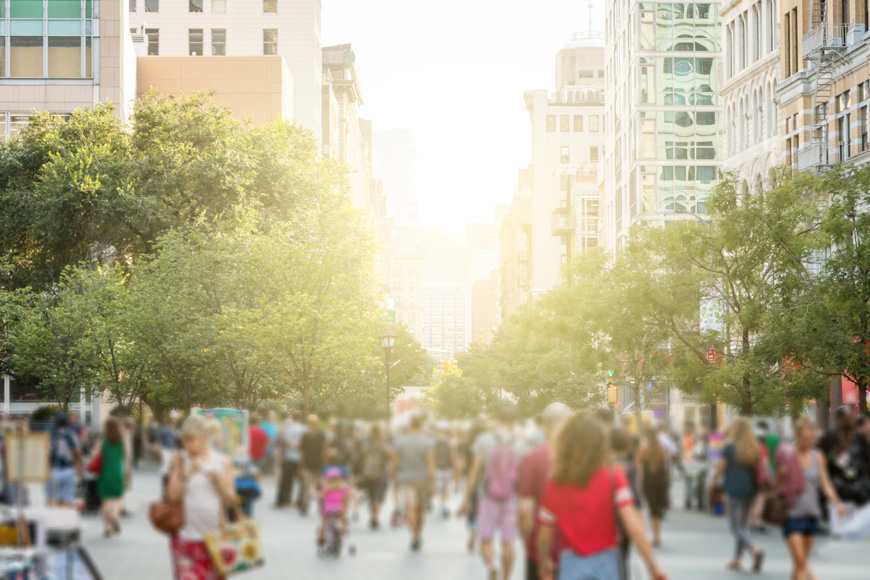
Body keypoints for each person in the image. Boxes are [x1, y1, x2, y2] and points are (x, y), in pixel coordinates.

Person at [536, 411, 666, 580]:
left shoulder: (555, 483)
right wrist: (653, 567)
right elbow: (632, 524)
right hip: (606, 560)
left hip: (571, 561)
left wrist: (544, 562)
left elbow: (545, 533)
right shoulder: (613, 476)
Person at [167, 415, 236, 580]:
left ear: (204, 438)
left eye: (191, 439)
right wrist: (189, 471)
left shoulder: (221, 462)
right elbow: (172, 496)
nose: (186, 444)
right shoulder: (180, 460)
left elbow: (230, 501)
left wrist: (218, 482)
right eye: (184, 439)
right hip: (186, 540)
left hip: (216, 540)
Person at [461, 406, 525, 580]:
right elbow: (522, 476)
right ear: (514, 421)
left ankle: (492, 565)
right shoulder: (520, 444)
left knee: (486, 539)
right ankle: (506, 577)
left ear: (498, 419)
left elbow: (474, 471)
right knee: (508, 542)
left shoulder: (484, 440)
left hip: (487, 495)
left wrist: (466, 498)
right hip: (510, 497)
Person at [778, 418, 845, 580]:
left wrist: (837, 503)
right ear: (797, 436)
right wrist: (779, 476)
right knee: (801, 560)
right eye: (805, 438)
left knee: (800, 564)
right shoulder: (787, 455)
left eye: (812, 438)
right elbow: (776, 485)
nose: (809, 442)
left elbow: (825, 483)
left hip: (811, 514)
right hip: (791, 514)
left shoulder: (818, 456)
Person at [517, 403, 571, 580]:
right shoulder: (583, 460)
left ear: (544, 427)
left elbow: (524, 511)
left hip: (539, 548)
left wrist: (529, 545)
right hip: (575, 551)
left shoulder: (531, 458)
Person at [708, 417, 765, 573]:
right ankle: (737, 559)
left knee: (735, 527)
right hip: (750, 490)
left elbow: (721, 468)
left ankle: (754, 550)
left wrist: (713, 483)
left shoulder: (729, 447)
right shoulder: (754, 447)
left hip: (733, 490)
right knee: (742, 525)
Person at [393, 414, 435, 551]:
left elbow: (395, 463)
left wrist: (394, 479)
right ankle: (419, 533)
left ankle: (414, 535)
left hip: (406, 478)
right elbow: (430, 464)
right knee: (420, 509)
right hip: (422, 479)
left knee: (410, 507)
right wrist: (433, 483)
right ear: (420, 426)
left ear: (409, 425)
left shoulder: (400, 442)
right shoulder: (426, 442)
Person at [818, 406, 870, 517]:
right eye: (847, 418)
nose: (851, 421)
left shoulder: (859, 437)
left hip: (858, 489)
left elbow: (866, 460)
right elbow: (822, 462)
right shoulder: (829, 437)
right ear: (839, 419)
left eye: (852, 417)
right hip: (838, 489)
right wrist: (835, 453)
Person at [637, 427, 670, 547]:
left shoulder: (643, 449)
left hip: (648, 482)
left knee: (651, 508)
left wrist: (638, 483)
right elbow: (666, 467)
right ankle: (658, 535)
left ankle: (655, 536)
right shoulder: (662, 449)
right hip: (660, 482)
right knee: (657, 508)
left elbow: (639, 467)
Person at [97, 417, 127, 537]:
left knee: (105, 502)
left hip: (105, 473)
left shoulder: (103, 441)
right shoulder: (121, 440)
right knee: (116, 499)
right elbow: (126, 456)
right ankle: (115, 516)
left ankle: (107, 527)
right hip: (117, 473)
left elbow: (97, 455)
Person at [359, 424, 393, 530]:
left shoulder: (365, 445)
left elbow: (361, 458)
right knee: (378, 497)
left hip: (368, 474)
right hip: (381, 473)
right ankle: (375, 516)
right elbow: (392, 457)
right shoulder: (383, 445)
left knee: (371, 496)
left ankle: (372, 516)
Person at [47, 412, 82, 508]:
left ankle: (50, 520)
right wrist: (79, 468)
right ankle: (63, 521)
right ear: (66, 422)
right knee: (65, 499)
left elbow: (44, 454)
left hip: (52, 470)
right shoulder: (71, 435)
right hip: (67, 469)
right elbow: (78, 453)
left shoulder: (49, 436)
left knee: (49, 499)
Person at [275, 411, 307, 511]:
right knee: (302, 480)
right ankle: (300, 501)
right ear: (301, 418)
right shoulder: (305, 429)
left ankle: (284, 500)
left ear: (293, 418)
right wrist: (300, 448)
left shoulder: (289, 429)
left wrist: (294, 447)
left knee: (286, 479)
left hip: (289, 457)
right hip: (301, 458)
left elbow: (287, 441)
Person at [318, 467, 351, 548]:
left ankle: (321, 535)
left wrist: (318, 496)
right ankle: (343, 527)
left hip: (328, 509)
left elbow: (320, 495)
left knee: (324, 520)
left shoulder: (326, 488)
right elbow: (350, 493)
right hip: (339, 508)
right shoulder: (342, 487)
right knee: (341, 517)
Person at [300, 414, 326, 511]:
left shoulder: (320, 435)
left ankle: (320, 503)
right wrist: (301, 465)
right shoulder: (306, 436)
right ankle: (305, 504)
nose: (312, 425)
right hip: (310, 463)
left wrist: (324, 464)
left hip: (317, 463)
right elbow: (303, 452)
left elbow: (324, 450)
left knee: (318, 484)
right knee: (308, 485)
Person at [434, 422, 455, 517]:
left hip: (437, 468)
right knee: (445, 488)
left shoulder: (434, 441)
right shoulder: (450, 441)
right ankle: (444, 505)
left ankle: (443, 506)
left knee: (440, 488)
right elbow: (452, 455)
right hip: (447, 468)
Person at [260, 410, 279, 476]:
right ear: (267, 416)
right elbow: (260, 436)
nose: (271, 416)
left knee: (273, 467)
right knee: (264, 467)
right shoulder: (263, 425)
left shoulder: (277, 426)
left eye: (273, 415)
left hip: (274, 449)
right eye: (270, 415)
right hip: (265, 449)